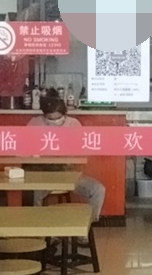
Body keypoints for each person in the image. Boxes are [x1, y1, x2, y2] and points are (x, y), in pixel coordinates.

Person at [28, 90, 105, 224]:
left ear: (64, 114)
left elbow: (81, 151)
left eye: (58, 119)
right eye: (50, 120)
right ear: (44, 115)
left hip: (68, 173)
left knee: (98, 189)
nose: (55, 123)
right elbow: (24, 148)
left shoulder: (73, 124)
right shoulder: (35, 124)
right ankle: (39, 229)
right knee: (34, 193)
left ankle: (87, 226)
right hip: (43, 173)